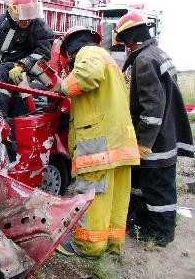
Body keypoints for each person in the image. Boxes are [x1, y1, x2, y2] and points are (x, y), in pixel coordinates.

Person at [54, 26, 140, 257]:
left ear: (70, 49)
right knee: (117, 195)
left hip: (98, 141)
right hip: (120, 140)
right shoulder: (108, 58)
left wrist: (62, 87)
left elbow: (86, 77)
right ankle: (112, 243)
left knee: (94, 193)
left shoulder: (88, 54)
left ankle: (88, 246)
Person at [115, 12, 194, 246]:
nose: (125, 47)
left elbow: (152, 107)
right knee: (146, 185)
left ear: (130, 38)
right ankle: (143, 223)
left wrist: (143, 143)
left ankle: (160, 235)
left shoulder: (144, 60)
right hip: (167, 133)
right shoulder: (158, 53)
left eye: (124, 41)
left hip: (156, 142)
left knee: (158, 188)